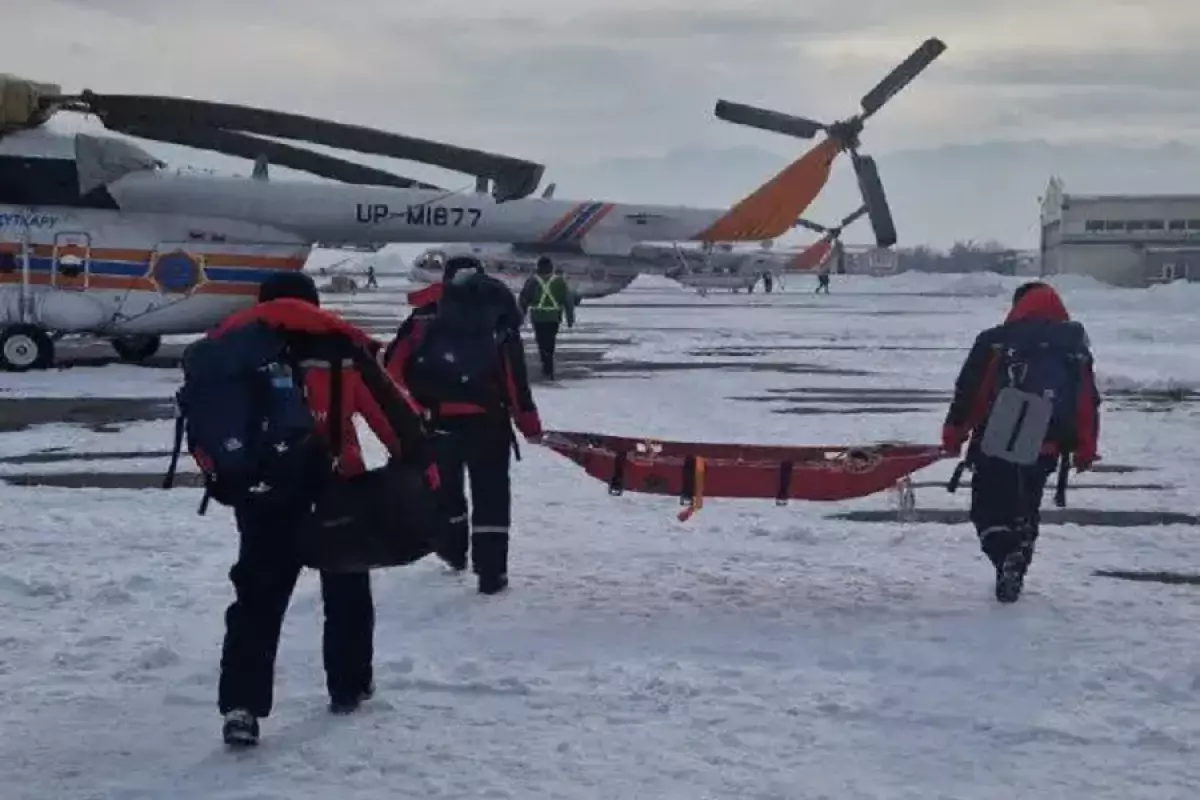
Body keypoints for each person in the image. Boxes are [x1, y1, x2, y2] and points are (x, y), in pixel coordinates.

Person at [212, 272, 435, 746]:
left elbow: (208, 419)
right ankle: (349, 686)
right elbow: (393, 415)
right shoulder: (342, 347)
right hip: (336, 487)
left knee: (257, 597)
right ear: (313, 303)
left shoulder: (228, 348)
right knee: (348, 586)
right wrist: (421, 469)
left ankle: (242, 706)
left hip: (262, 491)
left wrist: (224, 475)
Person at [385, 256, 543, 595]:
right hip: (489, 422)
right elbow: (514, 378)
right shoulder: (497, 316)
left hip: (437, 421)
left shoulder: (424, 316)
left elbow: (392, 369)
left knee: (446, 491)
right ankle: (491, 573)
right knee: (491, 496)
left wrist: (414, 410)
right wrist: (528, 423)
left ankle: (453, 551)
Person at [942, 281, 1100, 603]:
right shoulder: (1072, 346)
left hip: (995, 441)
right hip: (1045, 446)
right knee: (1025, 507)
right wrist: (1086, 448)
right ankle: (1020, 552)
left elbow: (971, 390)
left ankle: (1003, 557)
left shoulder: (995, 341)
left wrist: (955, 432)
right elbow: (1086, 401)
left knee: (988, 508)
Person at [518, 256, 575, 381]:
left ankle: (546, 363)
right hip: (553, 317)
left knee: (541, 341)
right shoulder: (559, 281)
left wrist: (520, 316)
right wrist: (570, 318)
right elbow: (568, 301)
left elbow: (523, 299)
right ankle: (548, 365)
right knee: (550, 341)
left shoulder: (532, 281)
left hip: (538, 317)